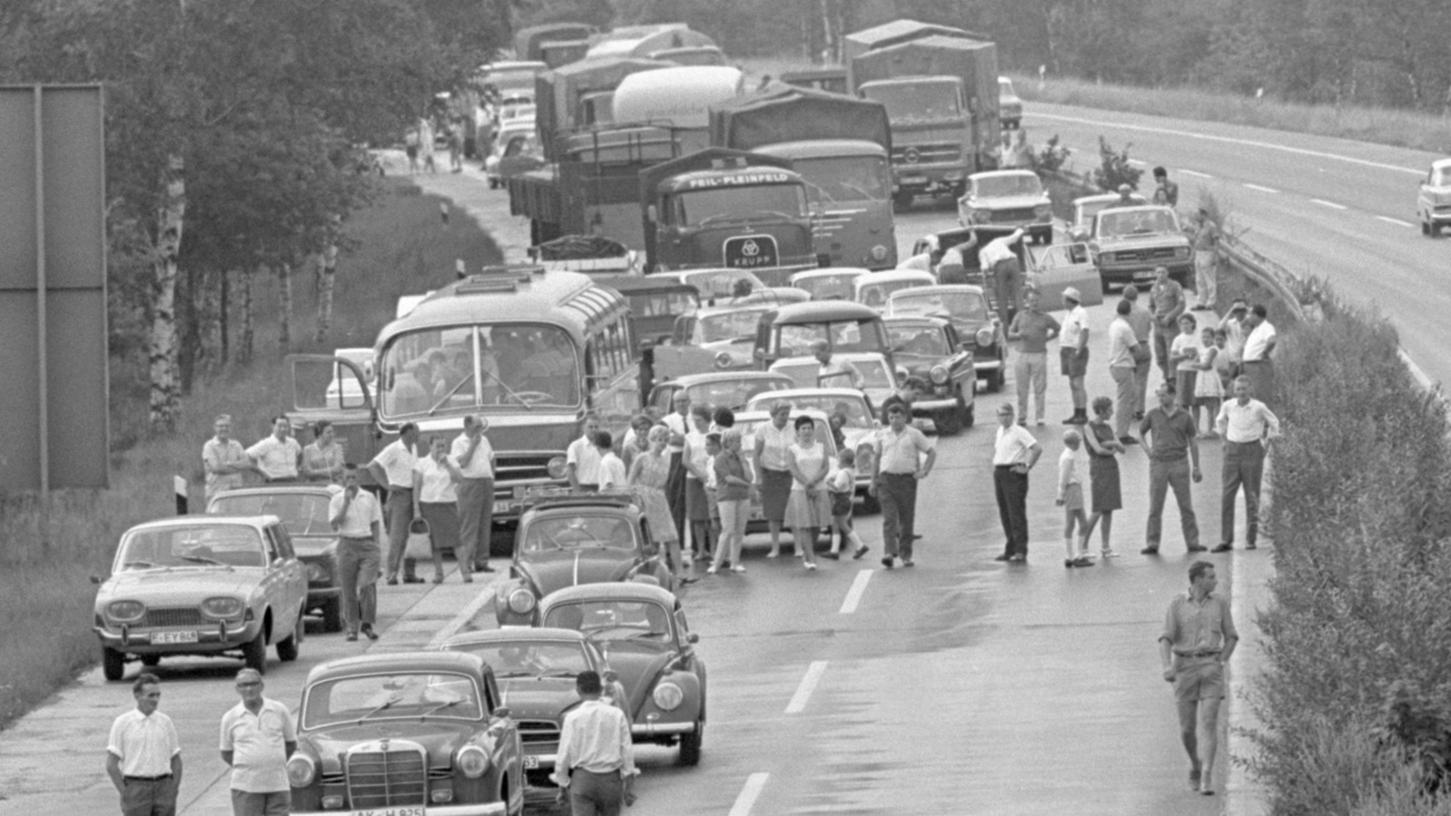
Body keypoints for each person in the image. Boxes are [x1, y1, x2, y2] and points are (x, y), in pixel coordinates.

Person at [1159, 561, 1239, 796]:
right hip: (1184, 666)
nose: (1216, 581)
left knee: (1209, 723)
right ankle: (1195, 763)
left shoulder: (1220, 603)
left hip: (1211, 666)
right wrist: (1167, 667)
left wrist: (1222, 661)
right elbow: (1165, 638)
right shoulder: (1177, 604)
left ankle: (1207, 774)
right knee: (1187, 729)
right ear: (1197, 580)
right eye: (1211, 577)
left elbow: (1232, 636)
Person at [552, 670, 637, 815]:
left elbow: (564, 754)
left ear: (578, 690)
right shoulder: (616, 715)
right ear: (601, 689)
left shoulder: (572, 718)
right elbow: (627, 752)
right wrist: (628, 787)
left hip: (582, 780)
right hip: (611, 782)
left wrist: (562, 786)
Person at [1213, 376, 1280, 552]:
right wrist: (1223, 440)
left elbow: (1274, 423)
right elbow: (1220, 421)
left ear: (1250, 390)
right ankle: (1225, 539)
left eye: (1244, 389)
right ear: (1233, 391)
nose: (1241, 392)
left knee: (1252, 496)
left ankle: (1251, 539)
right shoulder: (1228, 405)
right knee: (1227, 495)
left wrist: (1268, 443)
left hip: (1252, 450)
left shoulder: (1258, 407)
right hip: (1232, 451)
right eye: (1238, 389)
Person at [219, 668, 296, 816]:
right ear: (237, 689)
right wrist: (251, 765)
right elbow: (226, 752)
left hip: (278, 786)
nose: (249, 689)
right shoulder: (231, 717)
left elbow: (291, 744)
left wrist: (272, 762)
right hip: (246, 788)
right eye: (243, 685)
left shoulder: (279, 710)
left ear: (261, 686)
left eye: (253, 684)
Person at [106, 673, 182, 816]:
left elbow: (176, 759)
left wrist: (173, 788)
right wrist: (125, 792)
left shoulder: (165, 722)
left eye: (158, 695)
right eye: (150, 695)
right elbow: (111, 764)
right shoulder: (123, 723)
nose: (155, 700)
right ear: (137, 696)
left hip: (163, 785)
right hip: (136, 787)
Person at [1140, 384, 1203, 555]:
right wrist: (1147, 450)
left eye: (1164, 395)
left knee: (1186, 505)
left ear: (1173, 396)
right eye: (1159, 395)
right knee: (1155, 505)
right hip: (1158, 463)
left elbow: (1193, 441)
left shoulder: (1184, 416)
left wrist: (1196, 466)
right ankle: (1152, 542)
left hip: (1179, 462)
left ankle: (1193, 542)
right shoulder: (1153, 414)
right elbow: (1140, 433)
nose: (1161, 399)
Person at [870, 403, 935, 569]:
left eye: (898, 417)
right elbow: (876, 458)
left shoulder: (914, 434)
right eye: (891, 417)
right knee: (890, 518)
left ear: (904, 417)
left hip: (906, 480)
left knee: (906, 518)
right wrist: (873, 480)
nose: (894, 421)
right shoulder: (882, 434)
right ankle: (889, 552)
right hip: (886, 480)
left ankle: (906, 554)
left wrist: (924, 471)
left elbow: (931, 452)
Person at [329, 464, 384, 641]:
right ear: (342, 480)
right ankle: (352, 627)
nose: (351, 481)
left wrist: (376, 546)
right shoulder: (336, 499)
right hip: (346, 543)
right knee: (348, 589)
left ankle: (367, 622)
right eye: (347, 478)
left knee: (367, 584)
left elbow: (375, 522)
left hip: (367, 543)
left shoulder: (368, 497)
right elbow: (335, 524)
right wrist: (346, 502)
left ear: (358, 478)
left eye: (353, 477)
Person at [368, 423, 422, 585]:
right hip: (399, 494)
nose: (419, 435)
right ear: (408, 433)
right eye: (416, 432)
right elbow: (373, 466)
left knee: (411, 537)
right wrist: (387, 485)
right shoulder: (394, 449)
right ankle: (391, 573)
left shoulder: (413, 449)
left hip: (412, 493)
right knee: (397, 536)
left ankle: (409, 572)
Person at [991, 404, 1042, 563]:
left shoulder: (1018, 431)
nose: (1004, 418)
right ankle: (1010, 547)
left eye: (1007, 414)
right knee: (1005, 511)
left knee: (1016, 511)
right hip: (999, 470)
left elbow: (1036, 448)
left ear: (1012, 415)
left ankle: (1020, 550)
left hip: (1013, 471)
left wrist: (1027, 466)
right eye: (1001, 415)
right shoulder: (1000, 431)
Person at [1006, 287, 1060, 427]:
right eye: (1031, 301)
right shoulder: (1019, 316)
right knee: (1022, 388)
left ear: (1039, 301)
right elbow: (1010, 333)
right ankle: (1022, 416)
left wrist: (1046, 339)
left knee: (1040, 387)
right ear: (1026, 302)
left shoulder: (1045, 317)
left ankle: (1039, 416)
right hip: (1022, 355)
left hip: (1039, 354)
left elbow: (1057, 329)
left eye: (1036, 300)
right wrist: (1019, 335)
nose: (1034, 303)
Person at [412, 436, 462, 584]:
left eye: (443, 446)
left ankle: (465, 571)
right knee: (434, 542)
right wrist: (416, 509)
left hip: (447, 503)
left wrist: (448, 465)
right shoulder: (422, 463)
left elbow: (459, 479)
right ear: (430, 447)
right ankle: (439, 573)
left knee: (456, 540)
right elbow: (417, 487)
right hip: (428, 504)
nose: (441, 449)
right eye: (437, 446)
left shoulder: (451, 460)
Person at [451, 415, 496, 575]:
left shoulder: (485, 440)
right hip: (469, 483)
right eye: (477, 427)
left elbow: (491, 458)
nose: (480, 430)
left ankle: (482, 561)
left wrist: (492, 476)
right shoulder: (458, 442)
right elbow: (462, 463)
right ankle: (466, 563)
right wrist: (473, 445)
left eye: (481, 427)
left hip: (486, 482)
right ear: (467, 425)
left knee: (485, 524)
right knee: (469, 525)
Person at [1080, 396, 1124, 558]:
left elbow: (1122, 448)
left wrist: (1110, 445)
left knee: (1108, 509)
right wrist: (1111, 445)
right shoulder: (1089, 427)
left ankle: (1105, 547)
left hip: (1111, 468)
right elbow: (1098, 450)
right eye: (1109, 410)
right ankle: (1082, 545)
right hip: (1098, 467)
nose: (1112, 412)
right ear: (1101, 410)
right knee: (1097, 509)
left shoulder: (1108, 427)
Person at [785, 416, 830, 571]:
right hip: (799, 490)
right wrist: (806, 483)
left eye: (809, 428)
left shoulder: (821, 447)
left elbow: (825, 467)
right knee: (805, 525)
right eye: (803, 428)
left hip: (819, 488)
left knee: (816, 524)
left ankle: (807, 551)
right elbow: (793, 469)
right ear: (797, 431)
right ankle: (811, 557)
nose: (806, 431)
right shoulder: (792, 449)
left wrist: (814, 482)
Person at [754, 402, 795, 558]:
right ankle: (775, 547)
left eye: (787, 414)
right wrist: (758, 477)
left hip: (790, 473)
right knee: (773, 513)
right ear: (773, 414)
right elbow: (756, 454)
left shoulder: (793, 428)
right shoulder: (763, 429)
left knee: (794, 509)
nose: (785, 417)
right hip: (770, 473)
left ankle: (799, 547)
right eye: (782, 414)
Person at [709, 428, 752, 575]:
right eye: (735, 441)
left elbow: (749, 476)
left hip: (742, 496)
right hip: (727, 496)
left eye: (739, 440)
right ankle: (717, 563)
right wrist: (747, 485)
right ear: (727, 442)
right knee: (728, 530)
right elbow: (728, 478)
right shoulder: (720, 458)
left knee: (739, 530)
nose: (739, 444)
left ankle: (735, 562)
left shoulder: (740, 457)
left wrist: (743, 461)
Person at [1107, 299, 1144, 445]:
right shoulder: (1125, 328)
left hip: (1115, 364)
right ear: (1130, 312)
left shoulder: (1114, 324)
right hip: (1123, 365)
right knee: (1126, 401)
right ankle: (1122, 433)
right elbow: (1136, 348)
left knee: (1126, 398)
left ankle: (1121, 430)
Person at [682, 406, 715, 562]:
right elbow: (685, 460)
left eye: (699, 420)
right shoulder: (690, 437)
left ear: (707, 419)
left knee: (712, 516)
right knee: (697, 517)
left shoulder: (714, 434)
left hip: (712, 478)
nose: (696, 423)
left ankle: (714, 549)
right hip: (694, 479)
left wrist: (709, 475)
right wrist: (699, 475)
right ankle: (701, 550)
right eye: (694, 420)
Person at [1057, 429, 1093, 567]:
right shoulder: (1069, 457)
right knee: (1082, 523)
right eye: (1078, 441)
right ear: (1073, 442)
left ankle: (1070, 555)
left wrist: (1061, 492)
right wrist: (1060, 493)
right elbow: (1064, 477)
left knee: (1071, 523)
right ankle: (1078, 555)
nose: (1079, 444)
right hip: (1073, 489)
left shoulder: (1067, 455)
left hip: (1071, 489)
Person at [825, 448, 869, 560]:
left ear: (843, 461)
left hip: (841, 500)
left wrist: (829, 483)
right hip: (845, 499)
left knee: (842, 524)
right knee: (835, 524)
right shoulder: (849, 472)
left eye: (839, 461)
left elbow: (837, 488)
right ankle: (834, 550)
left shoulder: (843, 473)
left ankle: (860, 545)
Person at [978, 227, 1026, 325]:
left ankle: (1004, 324)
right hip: (1013, 263)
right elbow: (1015, 237)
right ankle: (1023, 322)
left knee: (1002, 297)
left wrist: (985, 275)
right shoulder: (998, 241)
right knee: (1017, 294)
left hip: (1000, 267)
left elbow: (984, 267)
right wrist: (1021, 229)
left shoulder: (982, 251)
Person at [1150, 266, 1187, 391]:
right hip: (1158, 325)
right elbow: (1151, 305)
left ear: (1168, 273)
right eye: (1158, 272)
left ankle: (1173, 380)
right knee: (1160, 354)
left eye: (1163, 272)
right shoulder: (1153, 288)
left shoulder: (1175, 286)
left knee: (1171, 353)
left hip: (1171, 324)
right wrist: (1153, 316)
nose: (1160, 275)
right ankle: (1166, 377)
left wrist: (1170, 316)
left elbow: (1181, 304)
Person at [1123, 285, 1156, 418]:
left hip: (1129, 349)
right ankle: (1139, 409)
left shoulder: (1123, 313)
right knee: (1141, 381)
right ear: (1137, 296)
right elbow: (1149, 328)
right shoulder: (1145, 311)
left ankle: (1130, 409)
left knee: (1129, 381)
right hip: (1143, 346)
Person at [1059, 286, 1090, 425]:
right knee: (1072, 383)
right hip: (1066, 349)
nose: (1062, 301)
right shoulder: (1069, 313)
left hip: (1075, 349)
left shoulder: (1081, 313)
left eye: (1064, 299)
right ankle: (1076, 411)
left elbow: (1084, 331)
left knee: (1078, 383)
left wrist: (1079, 349)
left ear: (1070, 300)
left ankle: (1082, 412)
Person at [663, 393, 692, 545]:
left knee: (695, 504)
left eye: (684, 401)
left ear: (689, 402)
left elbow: (703, 438)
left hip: (694, 460)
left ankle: (700, 547)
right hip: (675, 462)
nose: (681, 404)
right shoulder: (668, 420)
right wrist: (689, 439)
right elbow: (668, 439)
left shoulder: (696, 418)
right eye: (678, 401)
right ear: (674, 404)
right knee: (676, 502)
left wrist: (680, 438)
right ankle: (677, 543)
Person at [204, 414, 251, 501]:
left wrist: (229, 464)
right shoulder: (209, 446)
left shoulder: (236, 445)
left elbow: (246, 463)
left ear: (231, 428)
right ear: (215, 428)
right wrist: (237, 467)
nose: (224, 429)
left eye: (227, 426)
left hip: (236, 492)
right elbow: (216, 468)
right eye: (221, 426)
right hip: (216, 494)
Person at [1241, 304, 1277, 405]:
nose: (1248, 317)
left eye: (1250, 314)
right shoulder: (1257, 329)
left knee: (1260, 394)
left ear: (1256, 315)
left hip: (1258, 365)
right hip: (1250, 365)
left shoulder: (1266, 327)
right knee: (1252, 394)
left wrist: (1265, 352)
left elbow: (1272, 340)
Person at [246, 416, 301, 483]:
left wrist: (296, 468)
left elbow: (300, 454)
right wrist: (261, 473)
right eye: (279, 426)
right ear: (273, 426)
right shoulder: (266, 443)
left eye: (285, 426)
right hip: (274, 482)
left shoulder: (293, 443)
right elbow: (246, 456)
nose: (283, 429)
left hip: (292, 481)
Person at [1194, 327, 1225, 438]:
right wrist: (1197, 363)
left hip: (1210, 377)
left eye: (1208, 337)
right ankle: (1209, 429)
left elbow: (1206, 365)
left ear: (1213, 338)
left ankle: (1214, 429)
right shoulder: (1202, 350)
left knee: (1214, 404)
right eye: (1203, 337)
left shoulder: (1213, 349)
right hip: (1202, 378)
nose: (1205, 339)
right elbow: (1198, 361)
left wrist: (1194, 365)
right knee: (1208, 406)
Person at [1169, 314, 1201, 415]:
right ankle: (1186, 425)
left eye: (1187, 323)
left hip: (1196, 371)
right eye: (1182, 324)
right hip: (1183, 370)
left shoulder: (1199, 337)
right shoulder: (1178, 339)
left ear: (1192, 323)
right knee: (1183, 401)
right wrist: (1185, 356)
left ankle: (1196, 427)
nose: (1184, 326)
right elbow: (1173, 357)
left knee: (1195, 401)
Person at [1191, 207, 1219, 309]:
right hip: (1199, 253)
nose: (1196, 217)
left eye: (1198, 215)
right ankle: (1201, 302)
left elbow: (1216, 241)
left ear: (1203, 215)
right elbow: (1196, 240)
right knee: (1199, 279)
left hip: (1208, 253)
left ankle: (1211, 302)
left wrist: (1214, 256)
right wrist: (1193, 255)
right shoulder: (1198, 226)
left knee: (1209, 278)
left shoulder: (1211, 226)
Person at [567, 414, 603, 491]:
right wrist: (578, 491)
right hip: (584, 488)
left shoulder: (603, 446)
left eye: (596, 427)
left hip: (602, 488)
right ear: (584, 428)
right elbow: (570, 471)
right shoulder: (576, 446)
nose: (594, 429)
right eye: (590, 427)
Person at [1218, 300, 1249, 380]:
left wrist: (1246, 308)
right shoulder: (1230, 323)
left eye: (1241, 311)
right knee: (1232, 380)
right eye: (1237, 311)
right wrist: (1230, 310)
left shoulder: (1249, 322)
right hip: (1233, 358)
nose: (1239, 313)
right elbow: (1220, 327)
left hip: (1246, 357)